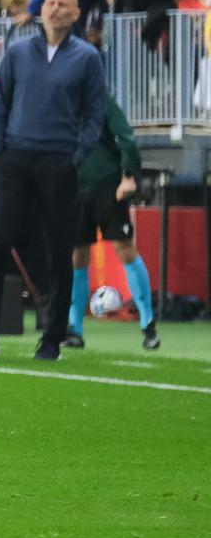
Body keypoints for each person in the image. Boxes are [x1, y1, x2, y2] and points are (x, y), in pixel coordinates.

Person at [0, 0, 106, 362]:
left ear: (76, 14)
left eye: (64, 4)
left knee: (58, 251)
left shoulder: (87, 58)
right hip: (14, 159)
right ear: (41, 9)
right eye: (50, 3)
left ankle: (51, 340)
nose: (55, 9)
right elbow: (0, 105)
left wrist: (77, 156)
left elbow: (95, 114)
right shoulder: (17, 53)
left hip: (58, 162)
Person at [68, 94, 159, 351]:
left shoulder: (100, 100)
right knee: (78, 255)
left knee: (124, 248)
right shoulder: (57, 100)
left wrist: (128, 174)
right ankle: (74, 328)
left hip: (107, 184)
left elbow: (125, 136)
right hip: (75, 186)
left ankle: (148, 322)